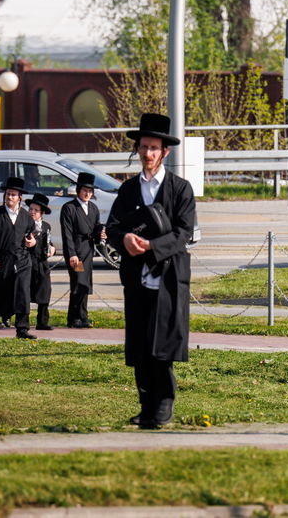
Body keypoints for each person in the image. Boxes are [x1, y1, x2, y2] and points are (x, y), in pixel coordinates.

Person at [105, 113, 196, 430]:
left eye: (154, 148)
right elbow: (113, 228)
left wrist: (152, 246)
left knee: (163, 347)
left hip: (168, 279)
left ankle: (163, 407)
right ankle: (146, 407)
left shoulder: (180, 189)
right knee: (141, 347)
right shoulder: (128, 191)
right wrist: (125, 239)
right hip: (138, 281)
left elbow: (184, 232)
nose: (148, 153)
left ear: (165, 152)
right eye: (143, 147)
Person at [0, 176, 36, 339]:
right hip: (2, 259)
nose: (10, 197)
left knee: (23, 294)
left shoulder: (26, 216)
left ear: (20, 197)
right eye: (7, 194)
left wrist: (32, 242)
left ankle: (22, 329)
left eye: (13, 195)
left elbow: (32, 234)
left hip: (22, 260)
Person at [61, 172, 106, 328]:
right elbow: (66, 234)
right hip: (76, 251)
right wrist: (72, 254)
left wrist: (101, 234)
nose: (87, 193)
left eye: (90, 191)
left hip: (88, 250)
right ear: (79, 190)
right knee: (78, 282)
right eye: (85, 190)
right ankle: (75, 317)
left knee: (85, 283)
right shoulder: (69, 208)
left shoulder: (93, 208)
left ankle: (81, 316)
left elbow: (96, 229)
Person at [26, 194, 56, 331]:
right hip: (27, 262)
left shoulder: (46, 226)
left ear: (42, 213)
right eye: (31, 209)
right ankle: (21, 321)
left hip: (42, 263)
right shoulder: (24, 223)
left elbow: (48, 242)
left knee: (45, 291)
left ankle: (42, 321)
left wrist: (52, 248)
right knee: (24, 292)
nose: (32, 212)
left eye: (35, 210)